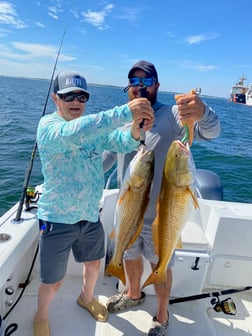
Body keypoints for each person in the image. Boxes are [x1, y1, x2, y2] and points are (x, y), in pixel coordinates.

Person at [103, 60, 221, 336]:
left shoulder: (172, 115)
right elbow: (104, 158)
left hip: (162, 216)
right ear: (128, 88)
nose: (140, 87)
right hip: (128, 211)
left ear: (156, 85)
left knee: (160, 265)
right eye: (134, 82)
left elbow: (211, 131)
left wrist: (202, 111)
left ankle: (162, 315)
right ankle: (133, 294)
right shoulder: (121, 119)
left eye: (146, 81)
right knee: (129, 256)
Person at [34, 71, 154, 336]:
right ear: (56, 99)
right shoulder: (50, 126)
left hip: (89, 216)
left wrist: (135, 131)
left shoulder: (90, 128)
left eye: (82, 96)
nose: (76, 101)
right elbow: (73, 133)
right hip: (56, 219)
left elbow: (119, 142)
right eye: (68, 96)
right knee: (53, 281)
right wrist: (125, 112)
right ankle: (40, 315)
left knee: (94, 265)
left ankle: (86, 297)